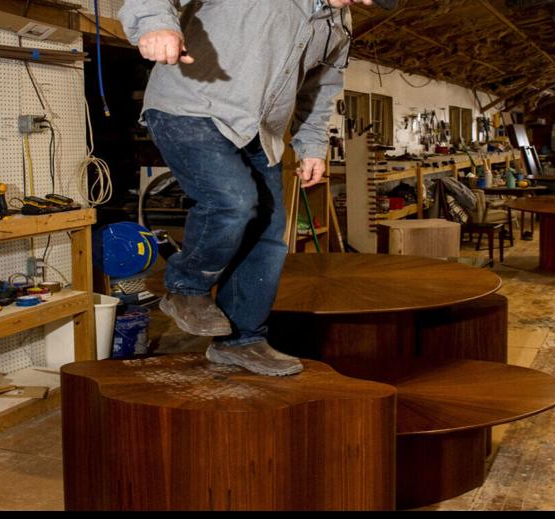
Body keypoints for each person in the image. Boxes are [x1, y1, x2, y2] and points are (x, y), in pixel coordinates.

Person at [120, 0, 381, 375]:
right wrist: (154, 23)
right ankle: (186, 286)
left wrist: (311, 147)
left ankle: (241, 341)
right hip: (191, 108)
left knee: (270, 234)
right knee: (233, 201)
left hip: (260, 130)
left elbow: (319, 89)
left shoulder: (338, 25)